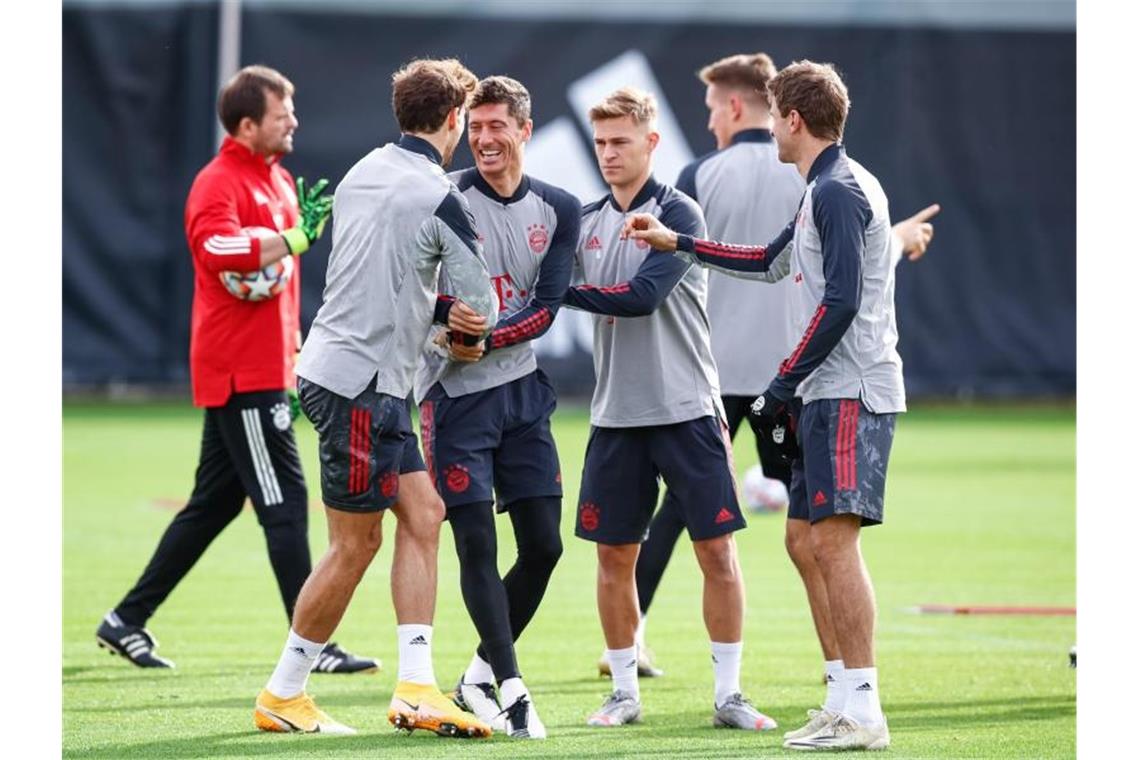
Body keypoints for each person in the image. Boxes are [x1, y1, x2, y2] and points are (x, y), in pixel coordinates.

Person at [613, 54, 939, 702]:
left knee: (833, 546)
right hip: (821, 391)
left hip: (848, 391)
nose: (772, 133)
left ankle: (860, 704)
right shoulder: (822, 188)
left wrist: (783, 384)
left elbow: (843, 300)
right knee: (803, 539)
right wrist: (678, 243)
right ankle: (841, 694)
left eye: (777, 119)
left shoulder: (839, 190)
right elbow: (766, 261)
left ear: (792, 119)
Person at [95, 65, 375, 676]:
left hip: (267, 368)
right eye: (283, 115)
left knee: (212, 505)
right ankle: (314, 646)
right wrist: (295, 239)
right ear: (248, 125)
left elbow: (277, 284)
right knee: (285, 503)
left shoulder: (276, 179)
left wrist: (294, 351)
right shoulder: (218, 182)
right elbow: (215, 249)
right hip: (239, 373)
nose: (294, 123)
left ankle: (125, 620)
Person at [252, 58, 499, 738]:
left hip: (349, 372)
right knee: (354, 544)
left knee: (423, 513)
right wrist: (464, 337)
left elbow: (393, 272)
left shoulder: (364, 169)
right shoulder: (439, 195)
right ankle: (284, 692)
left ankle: (417, 686)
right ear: (455, 120)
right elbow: (482, 303)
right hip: (363, 383)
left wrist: (441, 320)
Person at [564, 86, 777, 732]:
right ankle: (625, 692)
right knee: (613, 559)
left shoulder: (681, 212)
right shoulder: (587, 219)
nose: (608, 153)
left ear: (651, 142)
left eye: (620, 141)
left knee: (716, 553)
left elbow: (640, 298)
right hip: (615, 416)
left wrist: (559, 293)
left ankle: (729, 695)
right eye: (600, 142)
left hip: (687, 409)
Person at [413, 75, 580, 739]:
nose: (483, 139)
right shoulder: (441, 198)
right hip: (455, 400)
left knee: (544, 546)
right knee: (476, 545)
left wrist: (486, 334)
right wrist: (449, 319)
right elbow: (409, 291)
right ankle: (512, 690)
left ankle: (478, 674)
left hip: (523, 396)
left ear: (524, 131)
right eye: (474, 127)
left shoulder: (559, 207)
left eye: (495, 127)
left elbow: (548, 306)